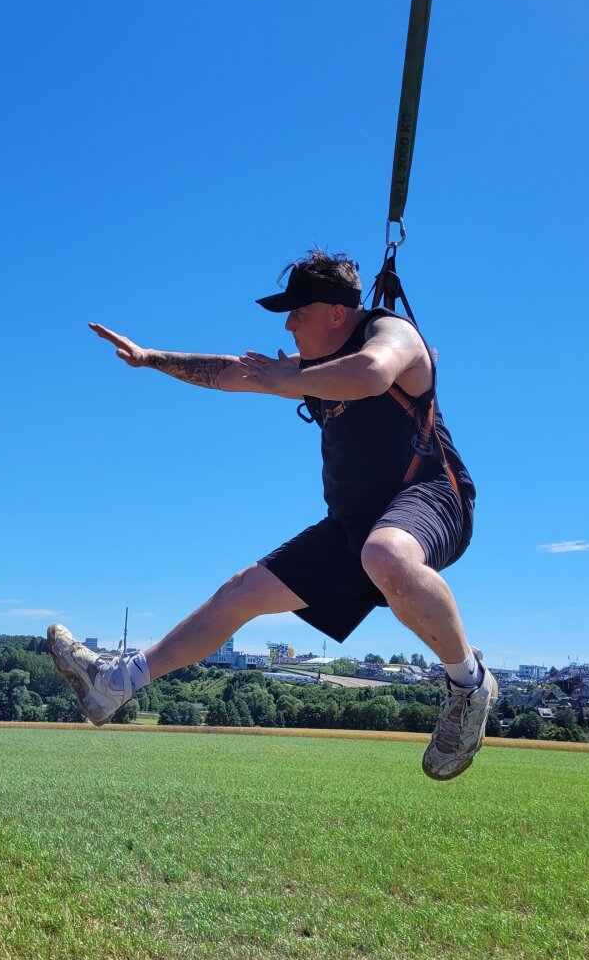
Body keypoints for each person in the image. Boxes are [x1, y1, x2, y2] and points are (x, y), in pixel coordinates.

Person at [48, 248, 496, 781]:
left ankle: (469, 686)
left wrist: (288, 381)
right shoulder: (307, 370)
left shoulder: (392, 334)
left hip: (430, 496)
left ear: (335, 312)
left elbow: (373, 373)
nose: (287, 325)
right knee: (244, 590)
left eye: (297, 313)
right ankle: (114, 684)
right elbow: (230, 372)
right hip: (353, 525)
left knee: (387, 552)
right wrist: (150, 358)